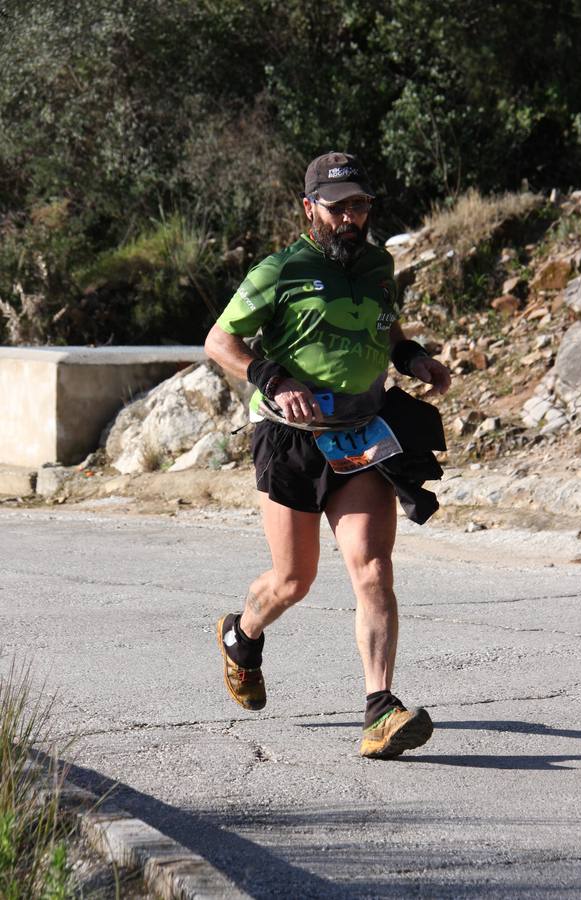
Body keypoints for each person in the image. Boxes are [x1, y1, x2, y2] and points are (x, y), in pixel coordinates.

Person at [204, 151, 451, 759]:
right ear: (310, 208)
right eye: (338, 207)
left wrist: (410, 357)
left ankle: (379, 709)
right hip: (290, 438)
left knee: (373, 569)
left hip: (362, 434)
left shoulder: (378, 264)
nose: (351, 217)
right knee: (294, 579)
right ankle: (242, 633)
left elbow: (385, 327)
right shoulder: (280, 270)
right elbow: (219, 341)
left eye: (360, 205)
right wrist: (271, 377)